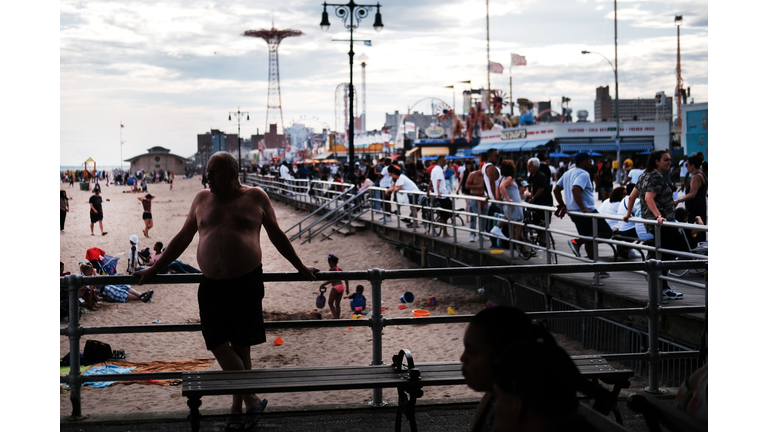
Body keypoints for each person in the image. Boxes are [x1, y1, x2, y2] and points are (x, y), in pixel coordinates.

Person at [133, 151, 317, 430]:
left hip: (246, 282)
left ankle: (236, 410)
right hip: (211, 285)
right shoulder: (202, 199)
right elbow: (183, 237)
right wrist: (153, 270)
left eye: (213, 173)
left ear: (232, 175)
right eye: (207, 172)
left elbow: (277, 235)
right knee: (216, 341)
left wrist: (300, 266)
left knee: (242, 347)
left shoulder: (256, 197)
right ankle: (252, 400)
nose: (208, 178)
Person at [460, 306, 555, 431]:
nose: (462, 358)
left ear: (503, 358)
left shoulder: (519, 416)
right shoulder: (494, 395)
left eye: (472, 352)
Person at [622, 150, 687, 300]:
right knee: (680, 248)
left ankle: (662, 284)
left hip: (652, 221)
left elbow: (632, 196)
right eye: (666, 160)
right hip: (662, 222)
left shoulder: (644, 175)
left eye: (670, 160)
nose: (670, 162)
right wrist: (658, 216)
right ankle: (656, 272)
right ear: (657, 161)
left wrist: (628, 213)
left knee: (666, 251)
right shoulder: (657, 177)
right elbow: (648, 198)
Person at [553, 153, 612, 272]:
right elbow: (576, 189)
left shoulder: (568, 173)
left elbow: (556, 190)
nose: (591, 162)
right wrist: (583, 207)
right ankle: (576, 242)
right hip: (586, 211)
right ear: (581, 162)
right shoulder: (583, 174)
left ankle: (597, 270)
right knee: (607, 232)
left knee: (588, 238)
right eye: (589, 160)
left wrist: (563, 204)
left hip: (574, 212)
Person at [80, 262, 152, 303]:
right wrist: (95, 274)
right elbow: (93, 286)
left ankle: (141, 295)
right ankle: (141, 297)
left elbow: (101, 277)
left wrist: (95, 273)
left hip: (107, 283)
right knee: (121, 293)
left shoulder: (91, 275)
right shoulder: (86, 278)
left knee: (125, 286)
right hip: (104, 288)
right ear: (87, 271)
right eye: (91, 270)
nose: (92, 270)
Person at [674, 153, 707, 225]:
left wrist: (678, 201)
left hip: (695, 208)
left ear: (692, 166)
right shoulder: (701, 174)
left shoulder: (696, 177)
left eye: (687, 165)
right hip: (700, 206)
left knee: (695, 231)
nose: (686, 167)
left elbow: (692, 194)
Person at [429, 155, 453, 238]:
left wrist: (428, 190)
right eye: (444, 161)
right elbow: (438, 181)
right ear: (440, 161)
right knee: (447, 213)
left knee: (447, 212)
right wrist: (438, 191)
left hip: (441, 194)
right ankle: (444, 230)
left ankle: (440, 222)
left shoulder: (434, 169)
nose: (445, 163)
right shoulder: (438, 170)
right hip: (442, 195)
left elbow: (431, 181)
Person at [319, 254, 349, 319]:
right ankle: (338, 317)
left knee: (330, 303)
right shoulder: (339, 269)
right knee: (337, 304)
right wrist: (347, 288)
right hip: (341, 287)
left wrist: (323, 284)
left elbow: (331, 280)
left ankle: (335, 317)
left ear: (331, 262)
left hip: (335, 287)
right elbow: (346, 278)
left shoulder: (331, 269)